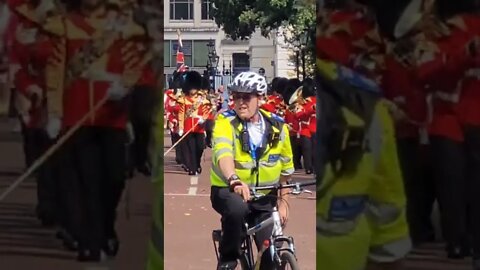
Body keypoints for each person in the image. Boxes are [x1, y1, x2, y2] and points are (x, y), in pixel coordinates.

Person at [60, 0, 149, 261]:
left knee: (113, 180)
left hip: (113, 119)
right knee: (87, 183)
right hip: (79, 118)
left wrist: (123, 83)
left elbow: (135, 66)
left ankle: (105, 227)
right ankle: (91, 241)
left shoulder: (124, 30)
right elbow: (58, 68)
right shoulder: (67, 27)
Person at [210, 71, 295, 270]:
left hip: (265, 197)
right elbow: (223, 153)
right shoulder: (225, 122)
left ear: (261, 98)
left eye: (246, 97)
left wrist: (284, 203)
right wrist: (234, 180)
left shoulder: (278, 126)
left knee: (269, 258)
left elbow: (286, 171)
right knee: (237, 209)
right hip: (228, 190)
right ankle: (228, 259)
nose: (240, 102)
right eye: (236, 97)